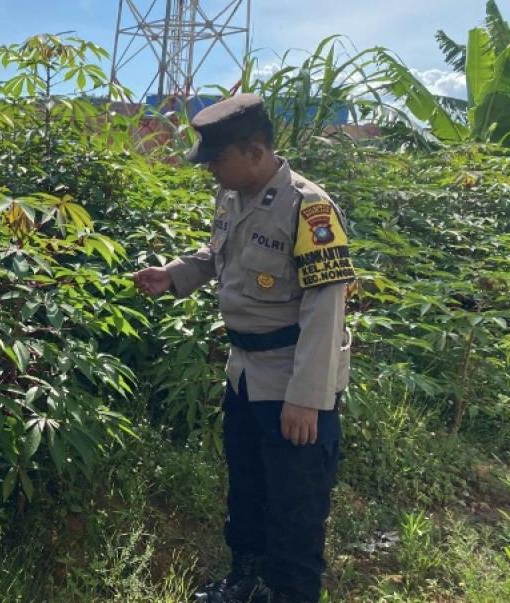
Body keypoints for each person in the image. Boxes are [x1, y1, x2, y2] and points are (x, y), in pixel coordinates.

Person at [134, 94, 355, 603]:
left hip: (292, 379)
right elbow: (218, 254)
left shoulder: (309, 209)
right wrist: (174, 274)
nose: (210, 169)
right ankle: (246, 580)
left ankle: (290, 593)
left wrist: (307, 399)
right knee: (248, 489)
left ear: (255, 152)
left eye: (218, 159)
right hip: (245, 374)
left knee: (295, 505)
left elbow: (325, 308)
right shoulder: (233, 195)